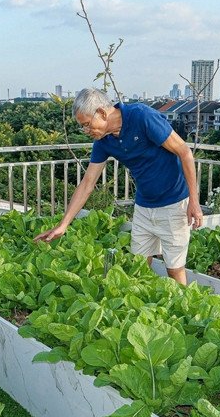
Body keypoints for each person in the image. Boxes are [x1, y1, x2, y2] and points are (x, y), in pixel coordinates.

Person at [34, 87, 201, 285]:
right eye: (83, 127)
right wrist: (63, 224)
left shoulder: (142, 117)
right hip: (144, 207)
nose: (86, 131)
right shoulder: (103, 141)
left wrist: (194, 202)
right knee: (138, 268)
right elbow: (87, 183)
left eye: (87, 125)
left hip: (174, 203)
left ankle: (185, 311)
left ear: (102, 113)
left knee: (174, 269)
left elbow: (184, 152)